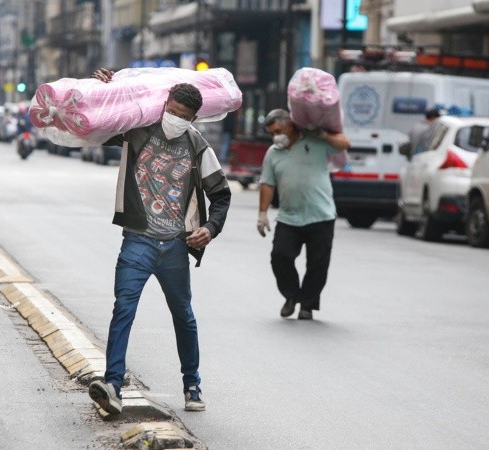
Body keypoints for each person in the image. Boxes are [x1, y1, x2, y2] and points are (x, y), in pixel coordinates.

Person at [87, 68, 232, 415]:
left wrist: (209, 229)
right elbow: (98, 123)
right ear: (164, 103)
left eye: (184, 117)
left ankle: (192, 383)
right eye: (173, 111)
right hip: (138, 241)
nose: (175, 119)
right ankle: (113, 386)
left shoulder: (197, 144)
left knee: (183, 314)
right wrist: (103, 89)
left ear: (193, 117)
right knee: (123, 308)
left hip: (175, 247)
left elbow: (221, 195)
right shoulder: (137, 131)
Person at [257, 109, 350, 321]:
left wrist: (323, 135)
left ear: (290, 125)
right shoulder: (273, 153)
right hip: (289, 217)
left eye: (279, 130)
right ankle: (291, 296)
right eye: (272, 133)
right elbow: (267, 183)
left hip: (321, 215)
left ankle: (307, 305)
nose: (276, 136)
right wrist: (262, 213)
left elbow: (344, 144)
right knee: (280, 257)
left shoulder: (315, 141)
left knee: (318, 263)